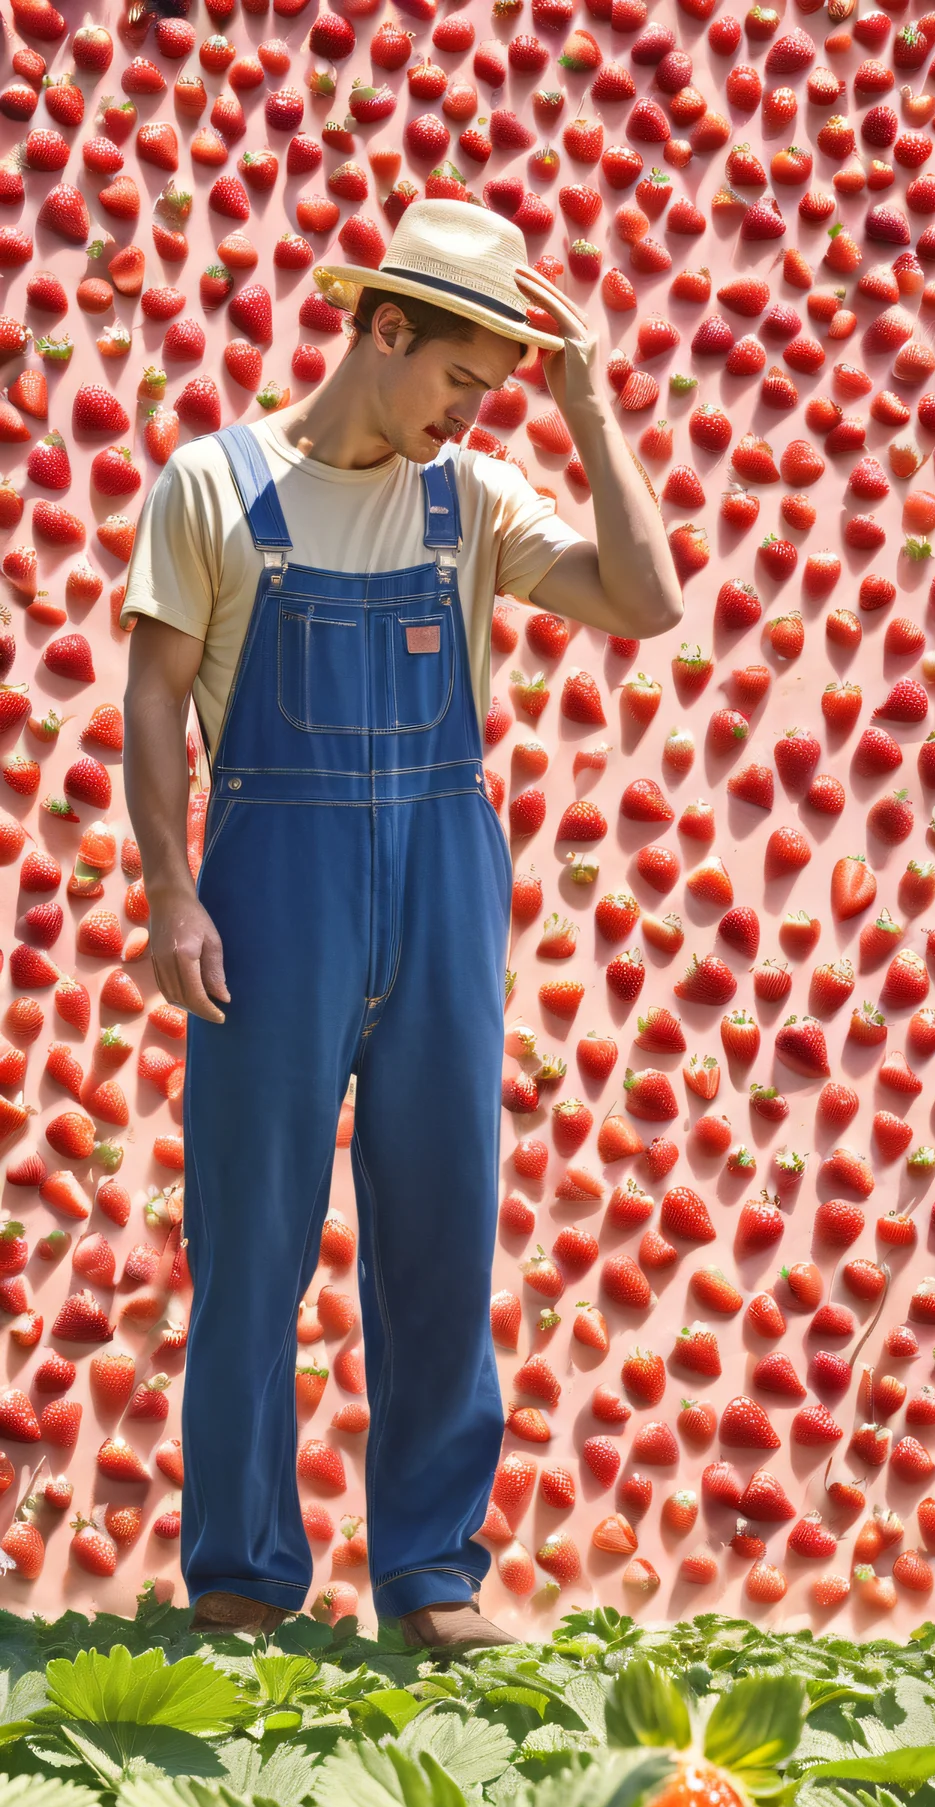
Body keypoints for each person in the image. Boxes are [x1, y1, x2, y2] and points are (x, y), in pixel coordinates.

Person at [120, 197, 684, 1652]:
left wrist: (592, 405)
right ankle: (241, 1574)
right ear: (383, 328)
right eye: (458, 378)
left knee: (441, 1227)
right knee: (253, 1236)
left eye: (489, 393)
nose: (468, 414)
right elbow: (156, 698)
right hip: (270, 895)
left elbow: (647, 600)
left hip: (441, 891)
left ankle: (431, 1578)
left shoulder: (477, 502)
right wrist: (171, 892)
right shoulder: (214, 485)